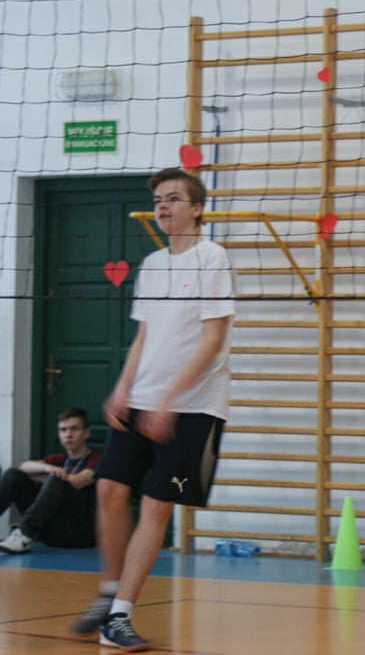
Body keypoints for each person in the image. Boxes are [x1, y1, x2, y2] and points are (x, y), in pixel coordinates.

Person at [70, 167, 235, 652]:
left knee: (156, 505)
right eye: (159, 199)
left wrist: (168, 400)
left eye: (173, 198)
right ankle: (109, 592)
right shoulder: (151, 264)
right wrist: (122, 389)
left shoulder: (212, 258)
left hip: (192, 407)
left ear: (197, 209)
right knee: (108, 490)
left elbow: (213, 339)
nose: (163, 206)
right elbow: (143, 336)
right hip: (142, 399)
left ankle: (119, 617)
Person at [0, 407, 100, 554]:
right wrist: (48, 468)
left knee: (58, 480)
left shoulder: (98, 459)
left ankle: (23, 534)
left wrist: (50, 476)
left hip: (78, 532)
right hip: (49, 529)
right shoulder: (59, 459)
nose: (68, 435)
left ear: (86, 433)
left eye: (74, 429)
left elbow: (76, 481)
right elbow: (24, 467)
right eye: (63, 430)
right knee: (13, 475)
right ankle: (25, 535)